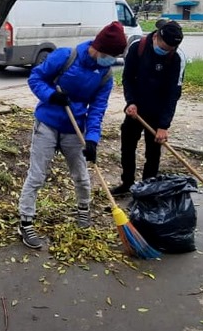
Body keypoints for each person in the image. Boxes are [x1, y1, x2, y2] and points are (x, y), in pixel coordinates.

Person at [18, 21, 127, 249]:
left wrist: (92, 140)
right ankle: (25, 222)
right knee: (37, 175)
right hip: (47, 124)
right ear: (98, 48)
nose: (111, 61)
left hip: (74, 129)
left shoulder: (105, 76)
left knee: (82, 176)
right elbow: (36, 78)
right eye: (109, 55)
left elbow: (97, 110)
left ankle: (83, 211)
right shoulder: (66, 57)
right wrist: (51, 96)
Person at [110, 19, 185, 195]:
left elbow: (173, 94)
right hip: (135, 110)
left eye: (171, 49)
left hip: (158, 113)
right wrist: (131, 102)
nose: (167, 51)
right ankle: (127, 183)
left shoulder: (177, 57)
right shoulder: (138, 47)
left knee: (153, 153)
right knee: (127, 147)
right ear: (157, 37)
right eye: (165, 47)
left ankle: (147, 188)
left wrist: (163, 126)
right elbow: (128, 78)